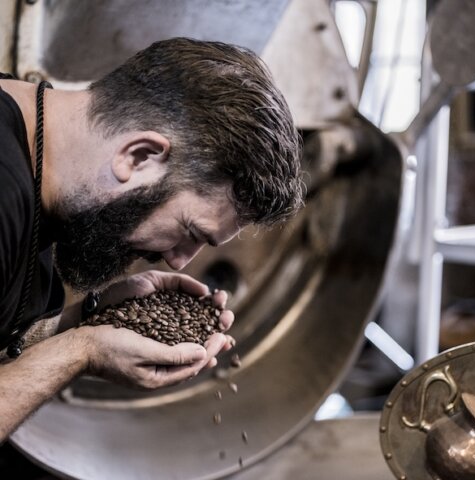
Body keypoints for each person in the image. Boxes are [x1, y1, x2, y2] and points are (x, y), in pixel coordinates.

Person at [0, 37, 302, 442]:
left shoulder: (44, 169)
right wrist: (81, 351)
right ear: (139, 156)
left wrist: (91, 319)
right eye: (191, 232)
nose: (179, 261)